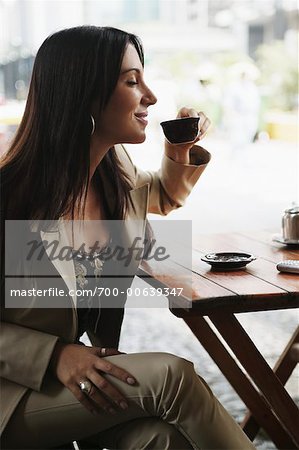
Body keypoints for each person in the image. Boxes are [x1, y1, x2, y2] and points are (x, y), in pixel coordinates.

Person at [0, 26, 255, 450]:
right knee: (172, 377)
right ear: (84, 93)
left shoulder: (112, 174)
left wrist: (179, 147)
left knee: (156, 438)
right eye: (132, 82)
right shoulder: (9, 197)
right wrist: (55, 354)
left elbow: (162, 196)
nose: (150, 96)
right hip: (11, 393)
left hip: (67, 386)